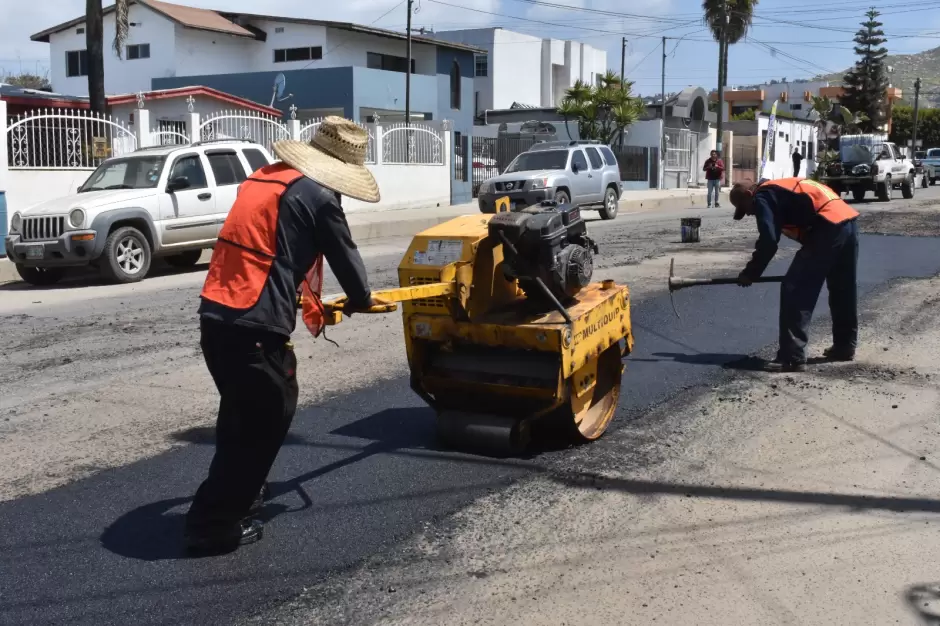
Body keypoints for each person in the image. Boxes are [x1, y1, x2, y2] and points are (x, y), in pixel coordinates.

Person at [185, 117, 387, 554]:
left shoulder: (266, 178)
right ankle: (213, 523)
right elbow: (343, 254)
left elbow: (271, 246)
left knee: (239, 415)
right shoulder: (319, 196)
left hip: (216, 315)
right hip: (254, 326)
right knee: (267, 415)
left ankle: (241, 491)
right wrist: (362, 298)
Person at [730, 177, 860, 373]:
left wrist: (751, 272)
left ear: (750, 194)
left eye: (746, 208)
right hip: (847, 221)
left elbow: (769, 241)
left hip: (828, 226)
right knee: (843, 288)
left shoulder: (763, 195)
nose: (749, 213)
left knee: (795, 288)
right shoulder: (781, 188)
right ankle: (844, 346)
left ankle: (791, 357)